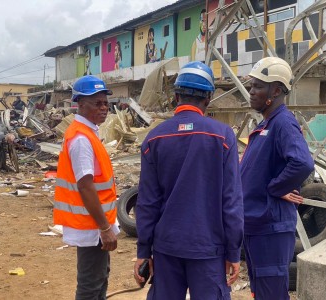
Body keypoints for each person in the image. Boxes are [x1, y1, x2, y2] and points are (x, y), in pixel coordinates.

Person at [134, 61, 244, 300]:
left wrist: (144, 250)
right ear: (208, 98)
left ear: (176, 96)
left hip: (166, 248)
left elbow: (147, 201)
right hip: (208, 249)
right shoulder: (222, 137)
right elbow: (231, 201)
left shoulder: (154, 138)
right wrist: (233, 252)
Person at [239, 57, 314, 299]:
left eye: (258, 86)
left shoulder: (283, 123)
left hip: (270, 228)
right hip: (256, 225)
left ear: (277, 90)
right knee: (260, 293)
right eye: (251, 86)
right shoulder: (265, 125)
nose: (251, 92)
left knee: (270, 294)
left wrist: (275, 187)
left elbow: (302, 163)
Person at [53, 75, 119, 300]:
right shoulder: (81, 138)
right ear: (80, 104)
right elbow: (85, 185)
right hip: (92, 226)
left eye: (105, 103)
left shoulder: (89, 133)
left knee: (99, 278)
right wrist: (104, 228)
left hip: (95, 224)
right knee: (91, 286)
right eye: (97, 103)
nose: (104, 108)